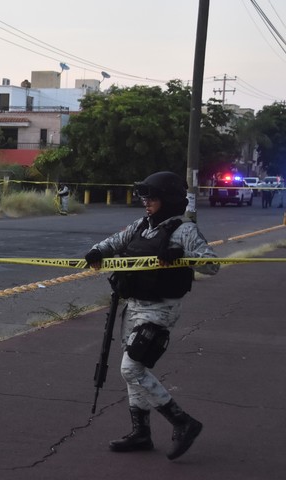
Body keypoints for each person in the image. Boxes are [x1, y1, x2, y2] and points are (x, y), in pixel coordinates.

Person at [84, 171, 219, 460]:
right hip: (132, 306)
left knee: (131, 368)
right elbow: (114, 242)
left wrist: (181, 257)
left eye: (152, 198)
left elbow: (212, 265)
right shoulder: (141, 225)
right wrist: (96, 251)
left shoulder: (184, 231)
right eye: (145, 198)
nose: (146, 203)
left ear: (168, 200)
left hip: (160, 310)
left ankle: (183, 422)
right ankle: (140, 433)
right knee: (134, 373)